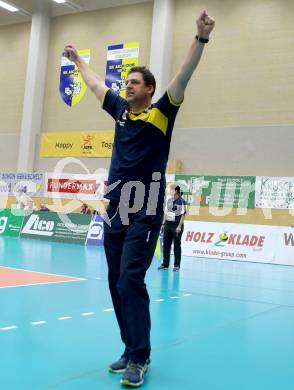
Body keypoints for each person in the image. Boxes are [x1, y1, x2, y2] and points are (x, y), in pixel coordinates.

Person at [63, 9, 215, 388]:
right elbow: (97, 84)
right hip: (113, 211)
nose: (127, 86)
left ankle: (141, 357)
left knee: (132, 279)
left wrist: (201, 38)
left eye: (134, 82)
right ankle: (130, 349)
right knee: (115, 281)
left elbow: (184, 75)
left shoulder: (162, 113)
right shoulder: (118, 112)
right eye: (126, 81)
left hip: (145, 212)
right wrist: (79, 60)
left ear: (149, 88)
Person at [158, 185, 186, 271]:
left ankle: (176, 265)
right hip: (167, 224)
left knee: (177, 245)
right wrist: (163, 224)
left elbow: (183, 214)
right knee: (166, 245)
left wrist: (179, 226)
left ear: (176, 191)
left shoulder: (181, 201)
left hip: (176, 225)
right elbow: (166, 213)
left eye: (171, 190)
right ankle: (165, 264)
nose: (170, 191)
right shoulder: (169, 200)